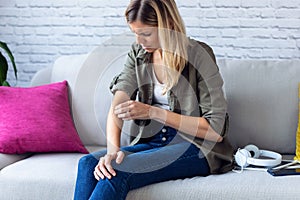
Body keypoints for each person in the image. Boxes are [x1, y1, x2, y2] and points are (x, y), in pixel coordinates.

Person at [74, 0, 234, 199]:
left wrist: (154, 112)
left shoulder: (199, 55)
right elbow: (118, 104)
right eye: (135, 33)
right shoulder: (138, 53)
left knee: (117, 174)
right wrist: (112, 152)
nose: (140, 41)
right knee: (88, 164)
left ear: (167, 25)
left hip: (195, 146)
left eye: (146, 34)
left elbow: (215, 130)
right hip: (155, 141)